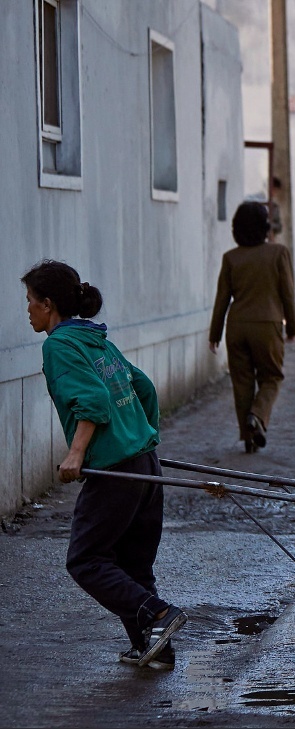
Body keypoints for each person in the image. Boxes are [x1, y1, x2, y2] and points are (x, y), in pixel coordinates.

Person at [22, 260, 187, 670]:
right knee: (133, 565)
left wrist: (76, 453)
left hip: (114, 471)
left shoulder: (58, 344)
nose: (26, 310)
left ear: (48, 304)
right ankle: (155, 648)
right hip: (145, 464)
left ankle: (160, 614)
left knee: (85, 560)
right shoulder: (95, 338)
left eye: (29, 301)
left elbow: (92, 402)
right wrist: (140, 433)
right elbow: (143, 387)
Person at [210, 202, 295, 454]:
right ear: (265, 227)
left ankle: (248, 438)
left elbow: (222, 299)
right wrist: (292, 327)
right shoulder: (278, 253)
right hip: (267, 325)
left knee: (242, 382)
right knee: (272, 377)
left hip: (236, 326)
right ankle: (258, 416)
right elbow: (287, 294)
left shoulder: (231, 258)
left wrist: (214, 334)